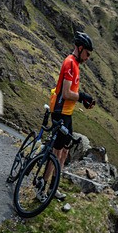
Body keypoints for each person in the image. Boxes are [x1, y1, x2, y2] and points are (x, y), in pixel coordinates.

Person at [41, 32, 96, 196]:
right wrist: (83, 97)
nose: (87, 58)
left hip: (67, 113)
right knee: (56, 152)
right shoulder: (70, 63)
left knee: (65, 151)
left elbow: (72, 92)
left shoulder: (76, 65)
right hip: (60, 113)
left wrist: (82, 100)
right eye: (87, 54)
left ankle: (53, 187)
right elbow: (66, 93)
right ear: (80, 48)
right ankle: (42, 186)